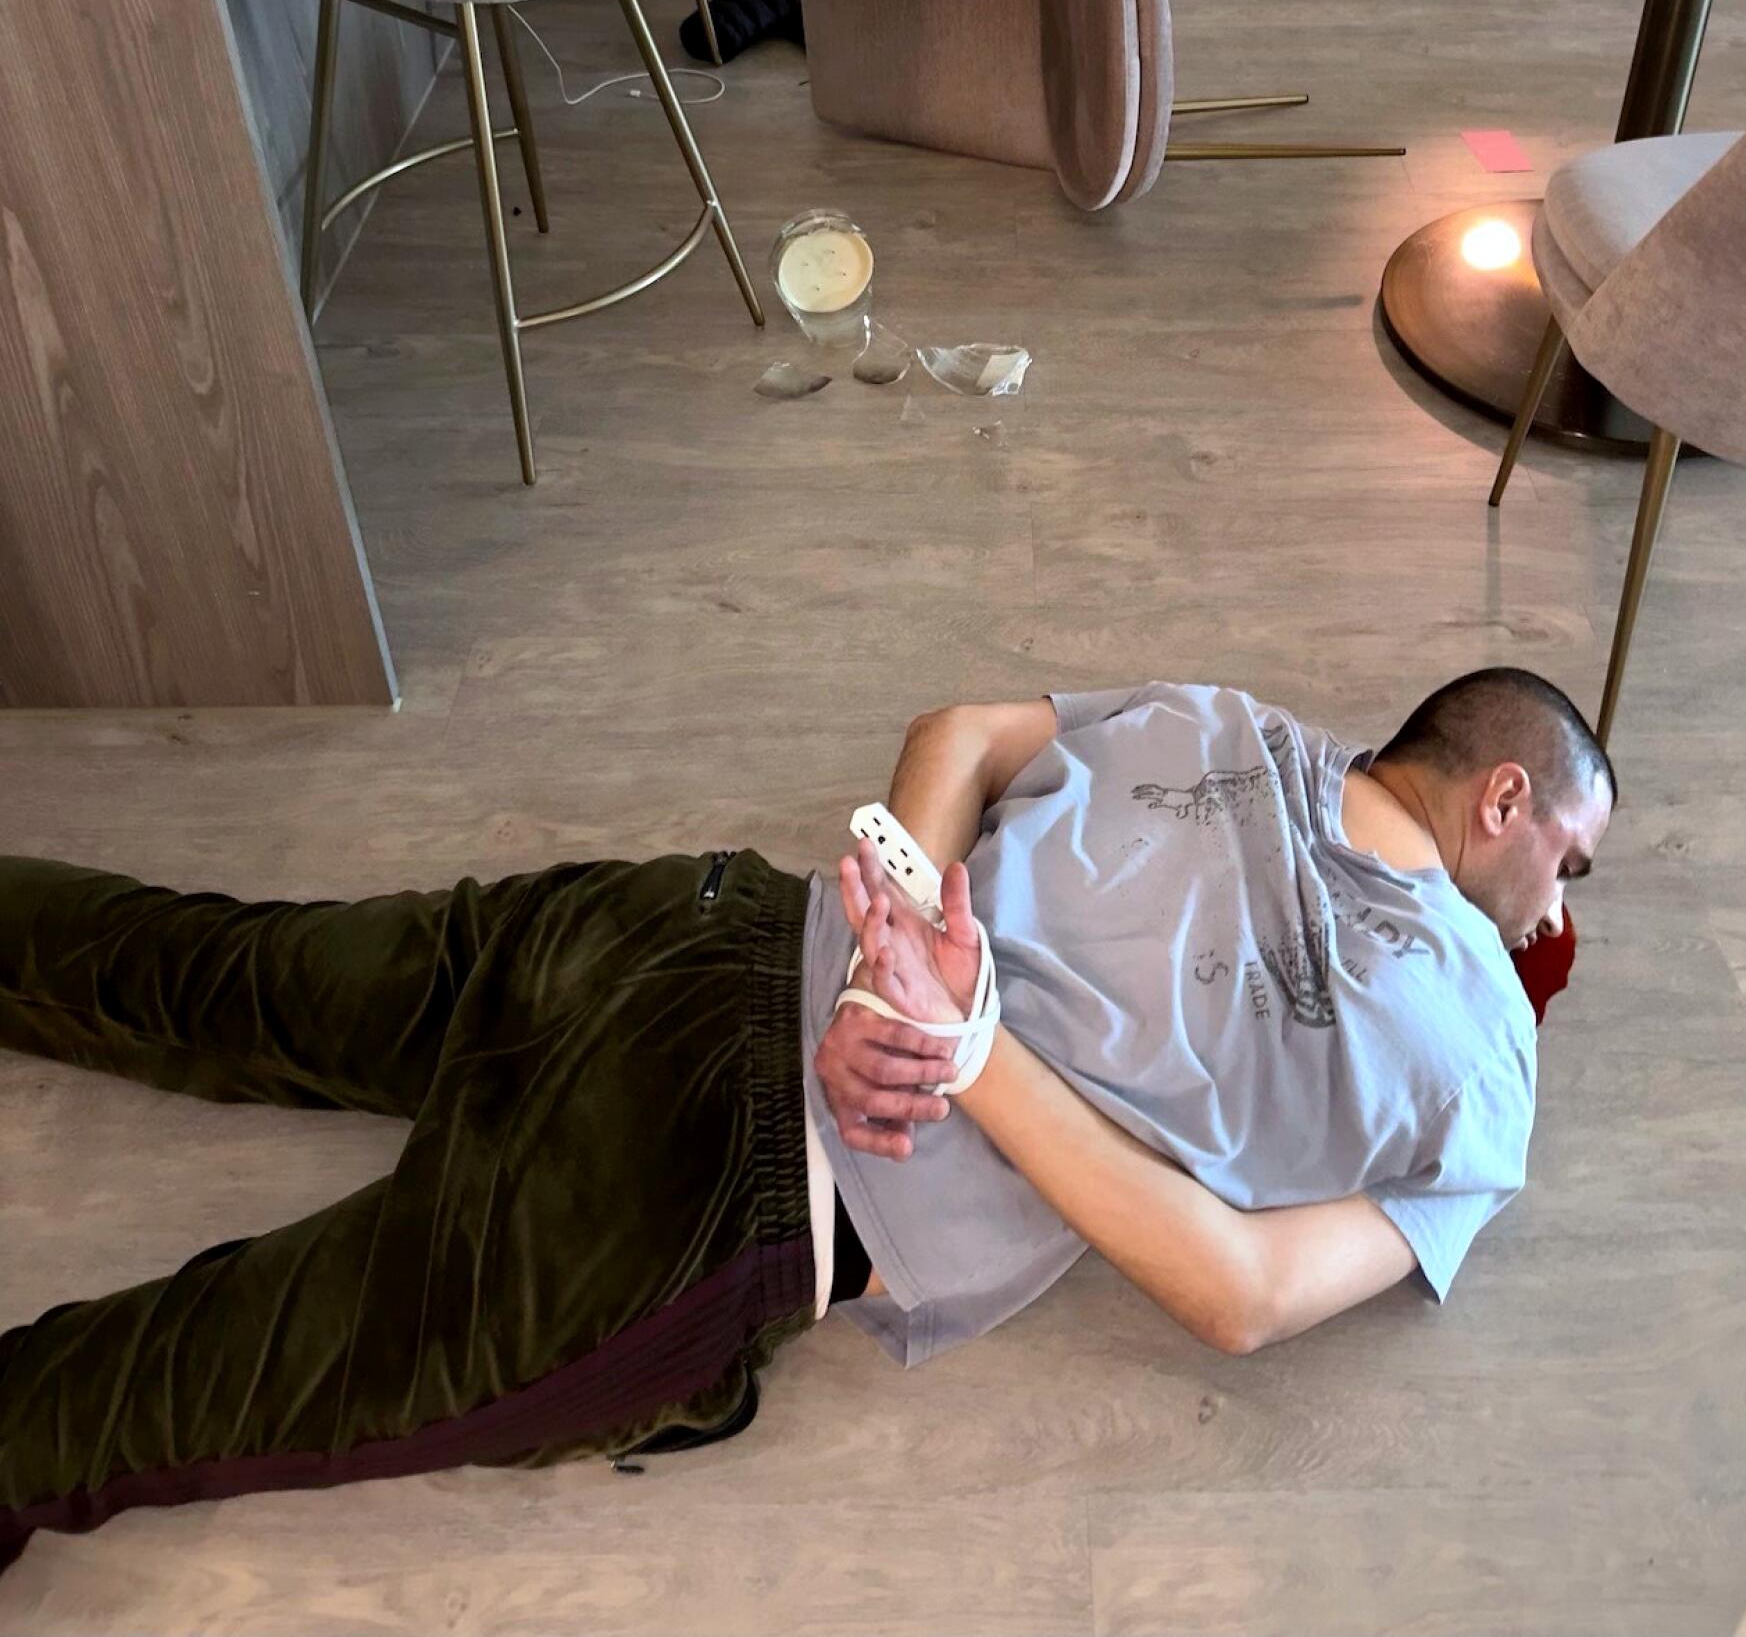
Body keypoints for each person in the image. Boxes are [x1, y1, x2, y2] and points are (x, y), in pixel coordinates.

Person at [0, 669, 1612, 1573]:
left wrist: (880, 970)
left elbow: (961, 732)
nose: (1560, 910)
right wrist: (941, 1036)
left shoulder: (1228, 722)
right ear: (1503, 802)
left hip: (683, 925)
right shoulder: (1483, 1065)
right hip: (712, 1187)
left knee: (210, 965)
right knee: (190, 1379)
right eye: (1573, 862)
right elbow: (1240, 1299)